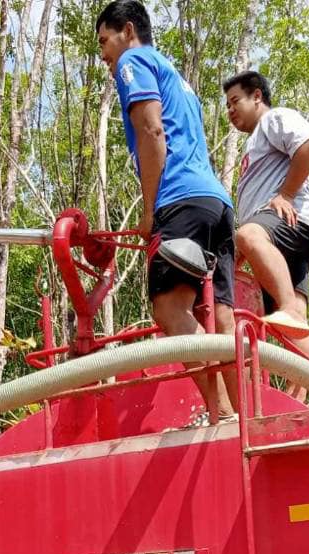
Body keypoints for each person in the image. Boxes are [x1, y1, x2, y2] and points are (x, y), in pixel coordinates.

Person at [96, 1, 241, 422]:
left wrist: (149, 211)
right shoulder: (179, 78)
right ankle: (247, 417)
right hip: (216, 203)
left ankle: (223, 414)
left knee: (169, 310)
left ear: (127, 30)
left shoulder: (134, 61)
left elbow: (152, 130)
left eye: (105, 41)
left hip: (179, 200)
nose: (104, 54)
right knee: (219, 317)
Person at [224, 70, 309, 363]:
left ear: (257, 96)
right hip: (282, 232)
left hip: (285, 222)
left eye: (234, 101)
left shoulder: (273, 119)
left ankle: (288, 306)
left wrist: (286, 195)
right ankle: (301, 392)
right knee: (295, 324)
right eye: (227, 106)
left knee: (248, 234)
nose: (230, 111)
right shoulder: (255, 141)